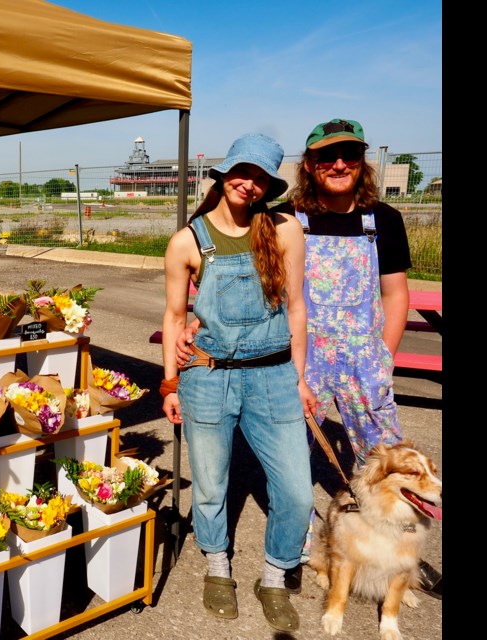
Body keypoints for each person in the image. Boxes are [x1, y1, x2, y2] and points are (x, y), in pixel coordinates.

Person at [175, 118, 442, 600]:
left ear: (363, 163)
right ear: (310, 165)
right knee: (292, 457)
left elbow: (395, 294)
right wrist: (198, 323)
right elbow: (239, 280)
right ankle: (298, 549)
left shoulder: (384, 219)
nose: (338, 164)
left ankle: (403, 551)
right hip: (303, 352)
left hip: (363, 353)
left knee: (386, 457)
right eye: (326, 157)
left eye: (350, 155)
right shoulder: (283, 217)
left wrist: (384, 354)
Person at [160, 133, 315, 632]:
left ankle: (274, 575)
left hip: (273, 376)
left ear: (269, 186)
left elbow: (296, 308)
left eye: (261, 178)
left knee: (296, 492)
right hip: (207, 378)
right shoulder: (187, 240)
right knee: (210, 486)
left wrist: (300, 377)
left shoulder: (285, 230)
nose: (249, 185)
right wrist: (168, 384)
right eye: (242, 173)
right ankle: (216, 565)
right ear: (224, 174)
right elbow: (173, 314)